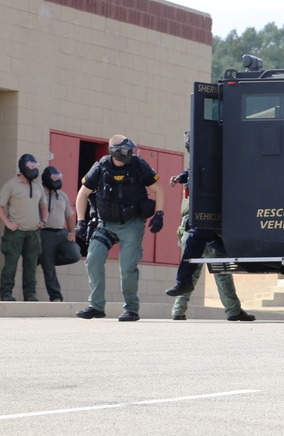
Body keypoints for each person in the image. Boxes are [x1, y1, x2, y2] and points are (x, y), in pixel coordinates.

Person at [74, 135, 165, 322]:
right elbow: (82, 194)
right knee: (93, 259)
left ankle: (131, 309)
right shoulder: (100, 167)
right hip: (106, 224)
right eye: (125, 150)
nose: (129, 153)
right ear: (115, 151)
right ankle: (96, 306)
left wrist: (159, 214)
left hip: (132, 224)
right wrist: (81, 221)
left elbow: (158, 190)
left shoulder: (139, 165)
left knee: (127, 268)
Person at [165, 133, 255, 322]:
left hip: (199, 226)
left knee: (194, 270)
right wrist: (180, 177)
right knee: (219, 272)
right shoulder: (202, 166)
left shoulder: (202, 166)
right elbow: (189, 173)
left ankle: (178, 311)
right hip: (200, 226)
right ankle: (232, 311)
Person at [0, 154, 49, 301]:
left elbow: (43, 206)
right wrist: (8, 223)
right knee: (11, 264)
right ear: (23, 166)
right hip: (15, 232)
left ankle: (30, 295)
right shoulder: (11, 184)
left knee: (31, 266)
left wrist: (44, 221)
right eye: (31, 166)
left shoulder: (38, 186)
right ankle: (6, 294)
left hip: (33, 232)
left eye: (35, 166)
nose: (34, 169)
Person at [38, 166, 81, 302]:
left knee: (74, 254)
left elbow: (69, 216)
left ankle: (46, 260)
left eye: (58, 177)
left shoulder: (62, 195)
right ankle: (56, 297)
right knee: (49, 268)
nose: (57, 180)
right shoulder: (39, 194)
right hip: (45, 233)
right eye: (54, 177)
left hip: (61, 232)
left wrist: (72, 232)